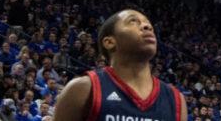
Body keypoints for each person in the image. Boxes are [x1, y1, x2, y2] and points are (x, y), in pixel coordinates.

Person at [51, 9, 186, 121]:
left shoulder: (175, 100)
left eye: (148, 24)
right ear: (109, 42)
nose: (147, 26)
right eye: (133, 21)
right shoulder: (83, 89)